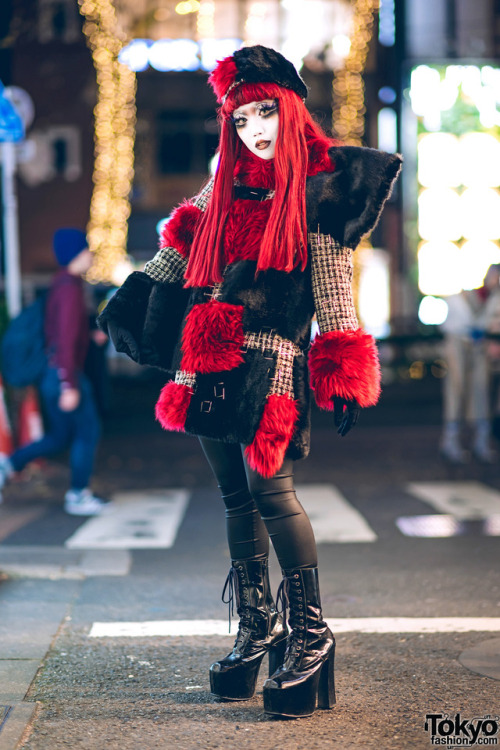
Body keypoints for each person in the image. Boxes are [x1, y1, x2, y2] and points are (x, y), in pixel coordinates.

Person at [98, 45, 402, 718]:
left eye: (264, 111)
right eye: (240, 118)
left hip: (273, 363)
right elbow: (175, 252)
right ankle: (256, 629)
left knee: (273, 493)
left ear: (290, 106)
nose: (254, 129)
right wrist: (131, 300)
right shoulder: (226, 183)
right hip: (208, 359)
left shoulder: (323, 183)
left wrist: (344, 367)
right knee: (235, 498)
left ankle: (311, 636)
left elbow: (331, 282)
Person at [0, 229, 106, 515]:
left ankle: (8, 464)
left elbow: (63, 332)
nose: (90, 255)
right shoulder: (70, 288)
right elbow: (65, 338)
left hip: (53, 374)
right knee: (88, 431)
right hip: (65, 376)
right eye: (86, 250)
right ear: (75, 254)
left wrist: (90, 335)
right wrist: (68, 383)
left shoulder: (60, 285)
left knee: (59, 436)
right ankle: (78, 495)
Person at [440, 263, 500, 464]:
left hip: (480, 345)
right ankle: (451, 440)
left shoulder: (494, 300)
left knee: (480, 389)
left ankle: (480, 441)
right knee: (457, 388)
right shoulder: (464, 299)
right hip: (459, 342)